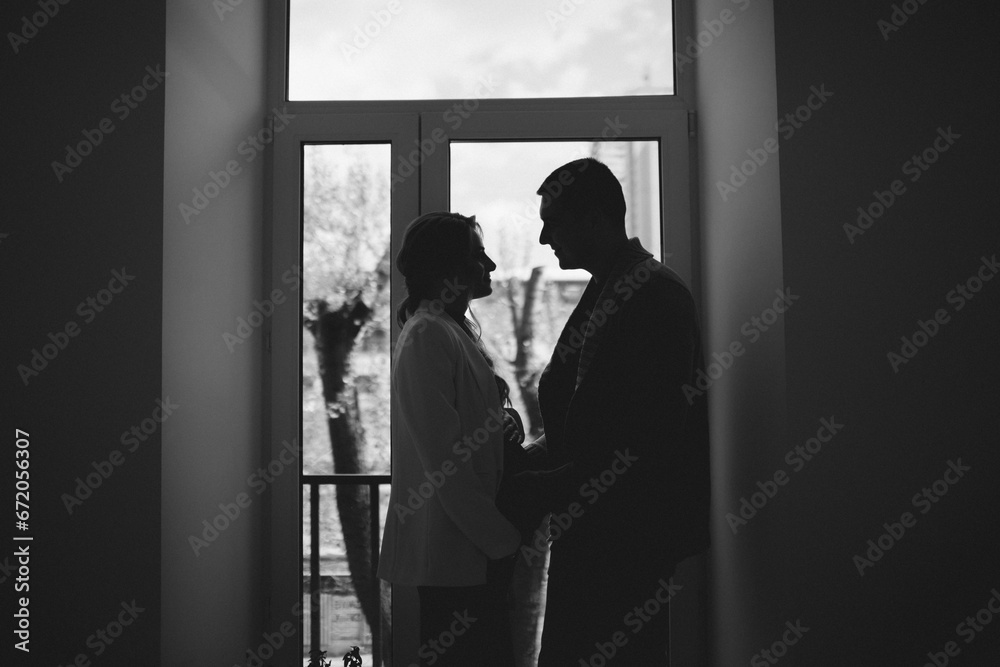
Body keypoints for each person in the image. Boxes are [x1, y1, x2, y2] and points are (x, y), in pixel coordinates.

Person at [522, 158, 711, 665]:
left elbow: (650, 432)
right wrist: (537, 459)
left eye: (553, 222)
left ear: (594, 219)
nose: (544, 238)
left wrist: (551, 481)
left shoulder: (654, 294)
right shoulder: (613, 286)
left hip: (625, 539)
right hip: (596, 530)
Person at [377, 211, 525, 667]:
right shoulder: (427, 337)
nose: (492, 266)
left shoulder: (448, 331)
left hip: (467, 552)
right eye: (479, 256)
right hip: (458, 556)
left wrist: (504, 424)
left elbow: (464, 430)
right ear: (451, 269)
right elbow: (446, 461)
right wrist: (501, 540)